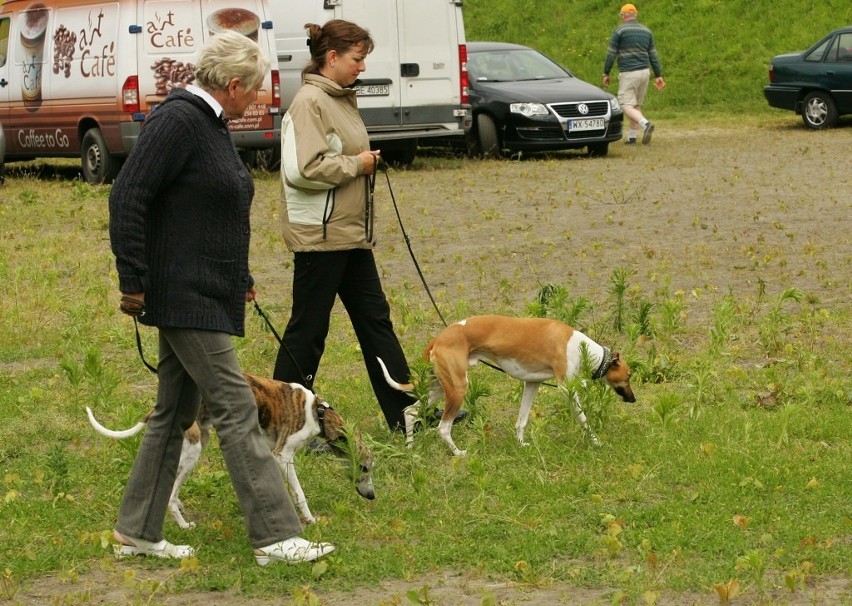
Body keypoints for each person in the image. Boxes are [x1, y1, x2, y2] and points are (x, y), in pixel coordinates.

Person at [108, 30, 334, 566]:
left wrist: (239, 276)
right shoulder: (179, 120)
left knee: (173, 412)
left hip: (207, 289)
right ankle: (277, 537)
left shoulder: (207, 124)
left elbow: (203, 213)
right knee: (236, 407)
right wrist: (132, 278)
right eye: (254, 89)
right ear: (233, 85)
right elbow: (128, 194)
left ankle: (137, 530)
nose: (257, 99)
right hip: (184, 295)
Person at [274, 20, 460, 432]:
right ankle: (276, 418)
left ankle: (407, 414)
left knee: (376, 320)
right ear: (332, 57)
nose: (362, 66)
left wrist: (358, 161)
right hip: (321, 238)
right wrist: (358, 164)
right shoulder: (310, 102)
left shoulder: (339, 98)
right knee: (308, 331)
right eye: (357, 59)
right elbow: (302, 170)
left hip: (349, 234)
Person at [602, 3, 666, 145]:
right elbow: (653, 55)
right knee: (636, 105)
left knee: (625, 104)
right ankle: (632, 137)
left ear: (624, 15)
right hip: (645, 72)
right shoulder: (646, 31)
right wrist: (658, 75)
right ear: (635, 14)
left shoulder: (619, 30)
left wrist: (606, 72)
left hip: (629, 73)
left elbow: (611, 53)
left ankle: (645, 124)